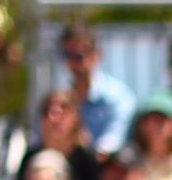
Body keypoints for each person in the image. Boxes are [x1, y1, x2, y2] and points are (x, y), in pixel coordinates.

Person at [58, 23, 135, 158]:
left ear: (96, 55)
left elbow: (109, 149)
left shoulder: (118, 97)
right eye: (68, 55)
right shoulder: (61, 100)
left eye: (79, 56)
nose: (74, 63)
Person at [16, 88, 102, 180]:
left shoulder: (86, 159)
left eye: (63, 110)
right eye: (47, 111)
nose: (54, 118)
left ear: (75, 117)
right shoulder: (30, 158)